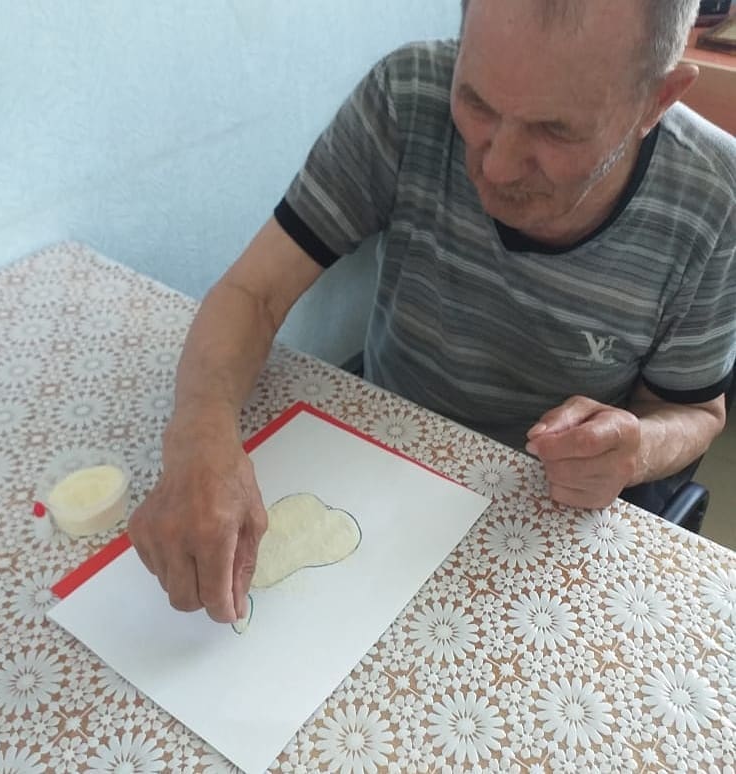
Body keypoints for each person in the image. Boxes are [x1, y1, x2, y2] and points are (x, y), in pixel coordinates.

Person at [128, 0, 736, 623]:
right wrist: (199, 432)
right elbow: (251, 293)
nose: (495, 168)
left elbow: (696, 410)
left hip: (539, 515)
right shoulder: (407, 92)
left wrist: (636, 450)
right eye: (475, 103)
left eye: (556, 131)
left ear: (657, 100)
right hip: (380, 454)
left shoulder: (714, 196)